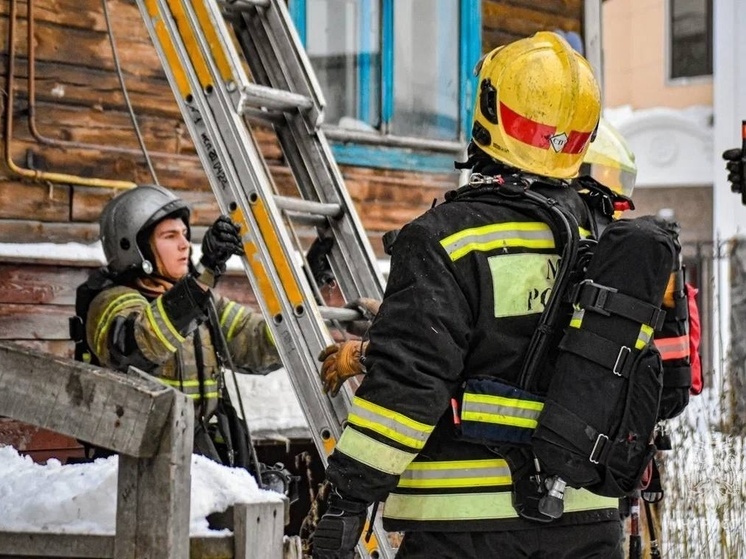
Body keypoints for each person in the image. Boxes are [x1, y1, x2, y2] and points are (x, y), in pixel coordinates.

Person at [311, 32, 625, 559]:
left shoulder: (446, 240)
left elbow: (407, 392)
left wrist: (347, 498)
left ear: (488, 112)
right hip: (588, 522)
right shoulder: (609, 241)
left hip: (464, 527)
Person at [86, 184, 280, 463]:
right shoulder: (110, 302)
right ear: (134, 246)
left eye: (185, 235)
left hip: (201, 457)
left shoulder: (200, 302)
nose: (184, 244)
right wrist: (207, 270)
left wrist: (308, 296)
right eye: (169, 236)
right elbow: (139, 344)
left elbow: (254, 341)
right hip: (139, 464)